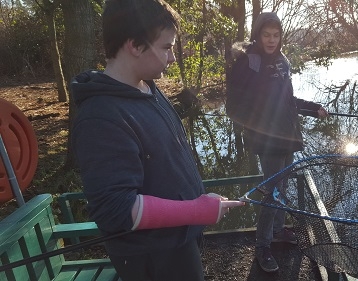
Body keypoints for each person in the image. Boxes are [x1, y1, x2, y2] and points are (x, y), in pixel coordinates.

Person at [70, 1, 244, 280]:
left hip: (180, 240)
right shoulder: (100, 118)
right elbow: (117, 210)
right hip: (153, 258)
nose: (173, 57)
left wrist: (197, 207)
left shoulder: (147, 87)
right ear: (135, 46)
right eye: (166, 47)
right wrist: (195, 210)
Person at [225, 12, 328, 273]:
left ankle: (279, 231)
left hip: (288, 136)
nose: (271, 40)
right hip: (268, 140)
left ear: (281, 36)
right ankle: (262, 245)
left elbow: (288, 100)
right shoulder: (248, 62)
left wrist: (313, 108)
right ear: (257, 35)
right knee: (272, 192)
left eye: (276, 35)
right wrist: (260, 122)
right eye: (266, 35)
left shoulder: (282, 61)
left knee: (281, 188)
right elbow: (233, 107)